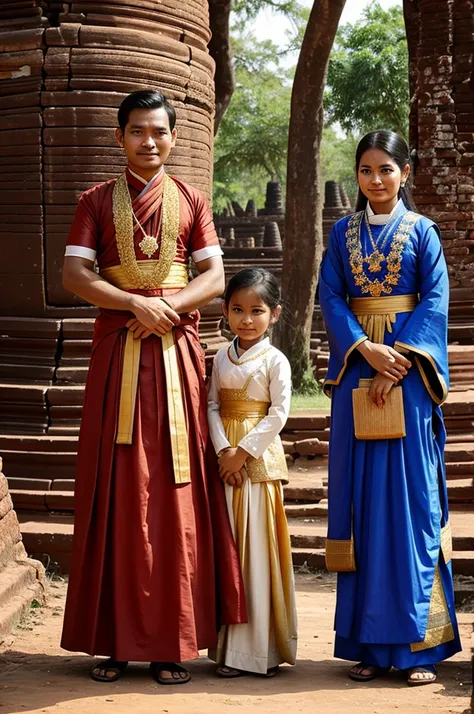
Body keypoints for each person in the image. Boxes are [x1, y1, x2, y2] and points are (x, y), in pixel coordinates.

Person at [60, 90, 246, 685]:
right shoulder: (93, 201)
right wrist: (136, 304)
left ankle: (173, 640)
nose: (149, 141)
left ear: (173, 137)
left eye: (159, 132)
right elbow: (74, 274)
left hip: (175, 359)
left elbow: (214, 276)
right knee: (116, 487)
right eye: (137, 131)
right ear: (120, 138)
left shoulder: (192, 200)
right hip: (118, 358)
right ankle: (113, 640)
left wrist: (167, 307)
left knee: (176, 490)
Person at [319, 130, 462, 686]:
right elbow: (331, 296)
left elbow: (435, 301)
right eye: (365, 170)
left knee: (411, 506)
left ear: (405, 172)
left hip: (409, 375)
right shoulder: (340, 233)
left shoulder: (424, 233)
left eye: (386, 169)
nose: (375, 180)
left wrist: (398, 359)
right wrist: (365, 349)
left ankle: (417, 648)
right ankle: (367, 646)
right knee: (361, 508)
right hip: (359, 369)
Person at [207, 268, 297, 678]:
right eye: (238, 309)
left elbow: (278, 413)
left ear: (274, 314)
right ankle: (226, 648)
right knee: (228, 550)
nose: (246, 319)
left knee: (256, 551)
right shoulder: (220, 357)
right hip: (224, 460)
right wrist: (223, 449)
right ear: (225, 311)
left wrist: (241, 453)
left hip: (256, 464)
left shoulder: (275, 360)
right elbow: (210, 405)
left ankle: (257, 651)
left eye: (256, 310)